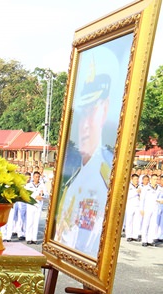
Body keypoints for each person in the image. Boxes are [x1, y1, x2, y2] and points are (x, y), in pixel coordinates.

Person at [54, 51, 119, 257]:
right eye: (82, 113)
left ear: (105, 109)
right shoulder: (72, 176)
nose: (84, 125)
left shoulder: (105, 177)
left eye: (92, 111)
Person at [25, 171, 47, 244]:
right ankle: (28, 238)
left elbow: (46, 194)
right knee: (30, 221)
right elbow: (26, 193)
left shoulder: (42, 185)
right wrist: (35, 196)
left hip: (38, 205)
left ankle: (34, 238)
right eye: (36, 177)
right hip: (31, 205)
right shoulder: (29, 185)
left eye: (38, 177)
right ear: (33, 177)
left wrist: (42, 195)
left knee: (36, 222)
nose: (37, 178)